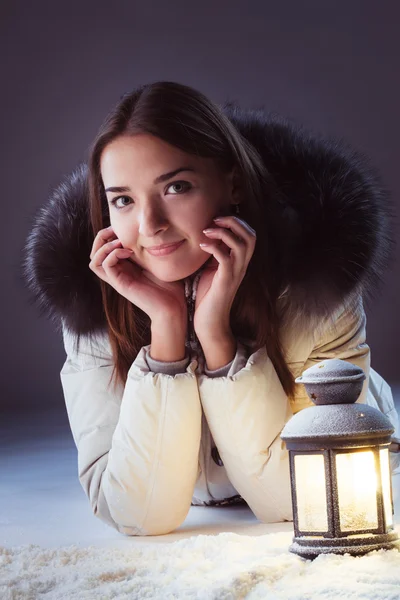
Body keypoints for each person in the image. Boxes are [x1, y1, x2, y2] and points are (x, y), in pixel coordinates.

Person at [22, 80, 400, 537]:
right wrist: (165, 331)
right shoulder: (95, 299)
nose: (150, 226)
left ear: (232, 183)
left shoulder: (312, 290)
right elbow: (135, 513)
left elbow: (308, 501)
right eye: (123, 199)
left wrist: (215, 336)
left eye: (176, 187)